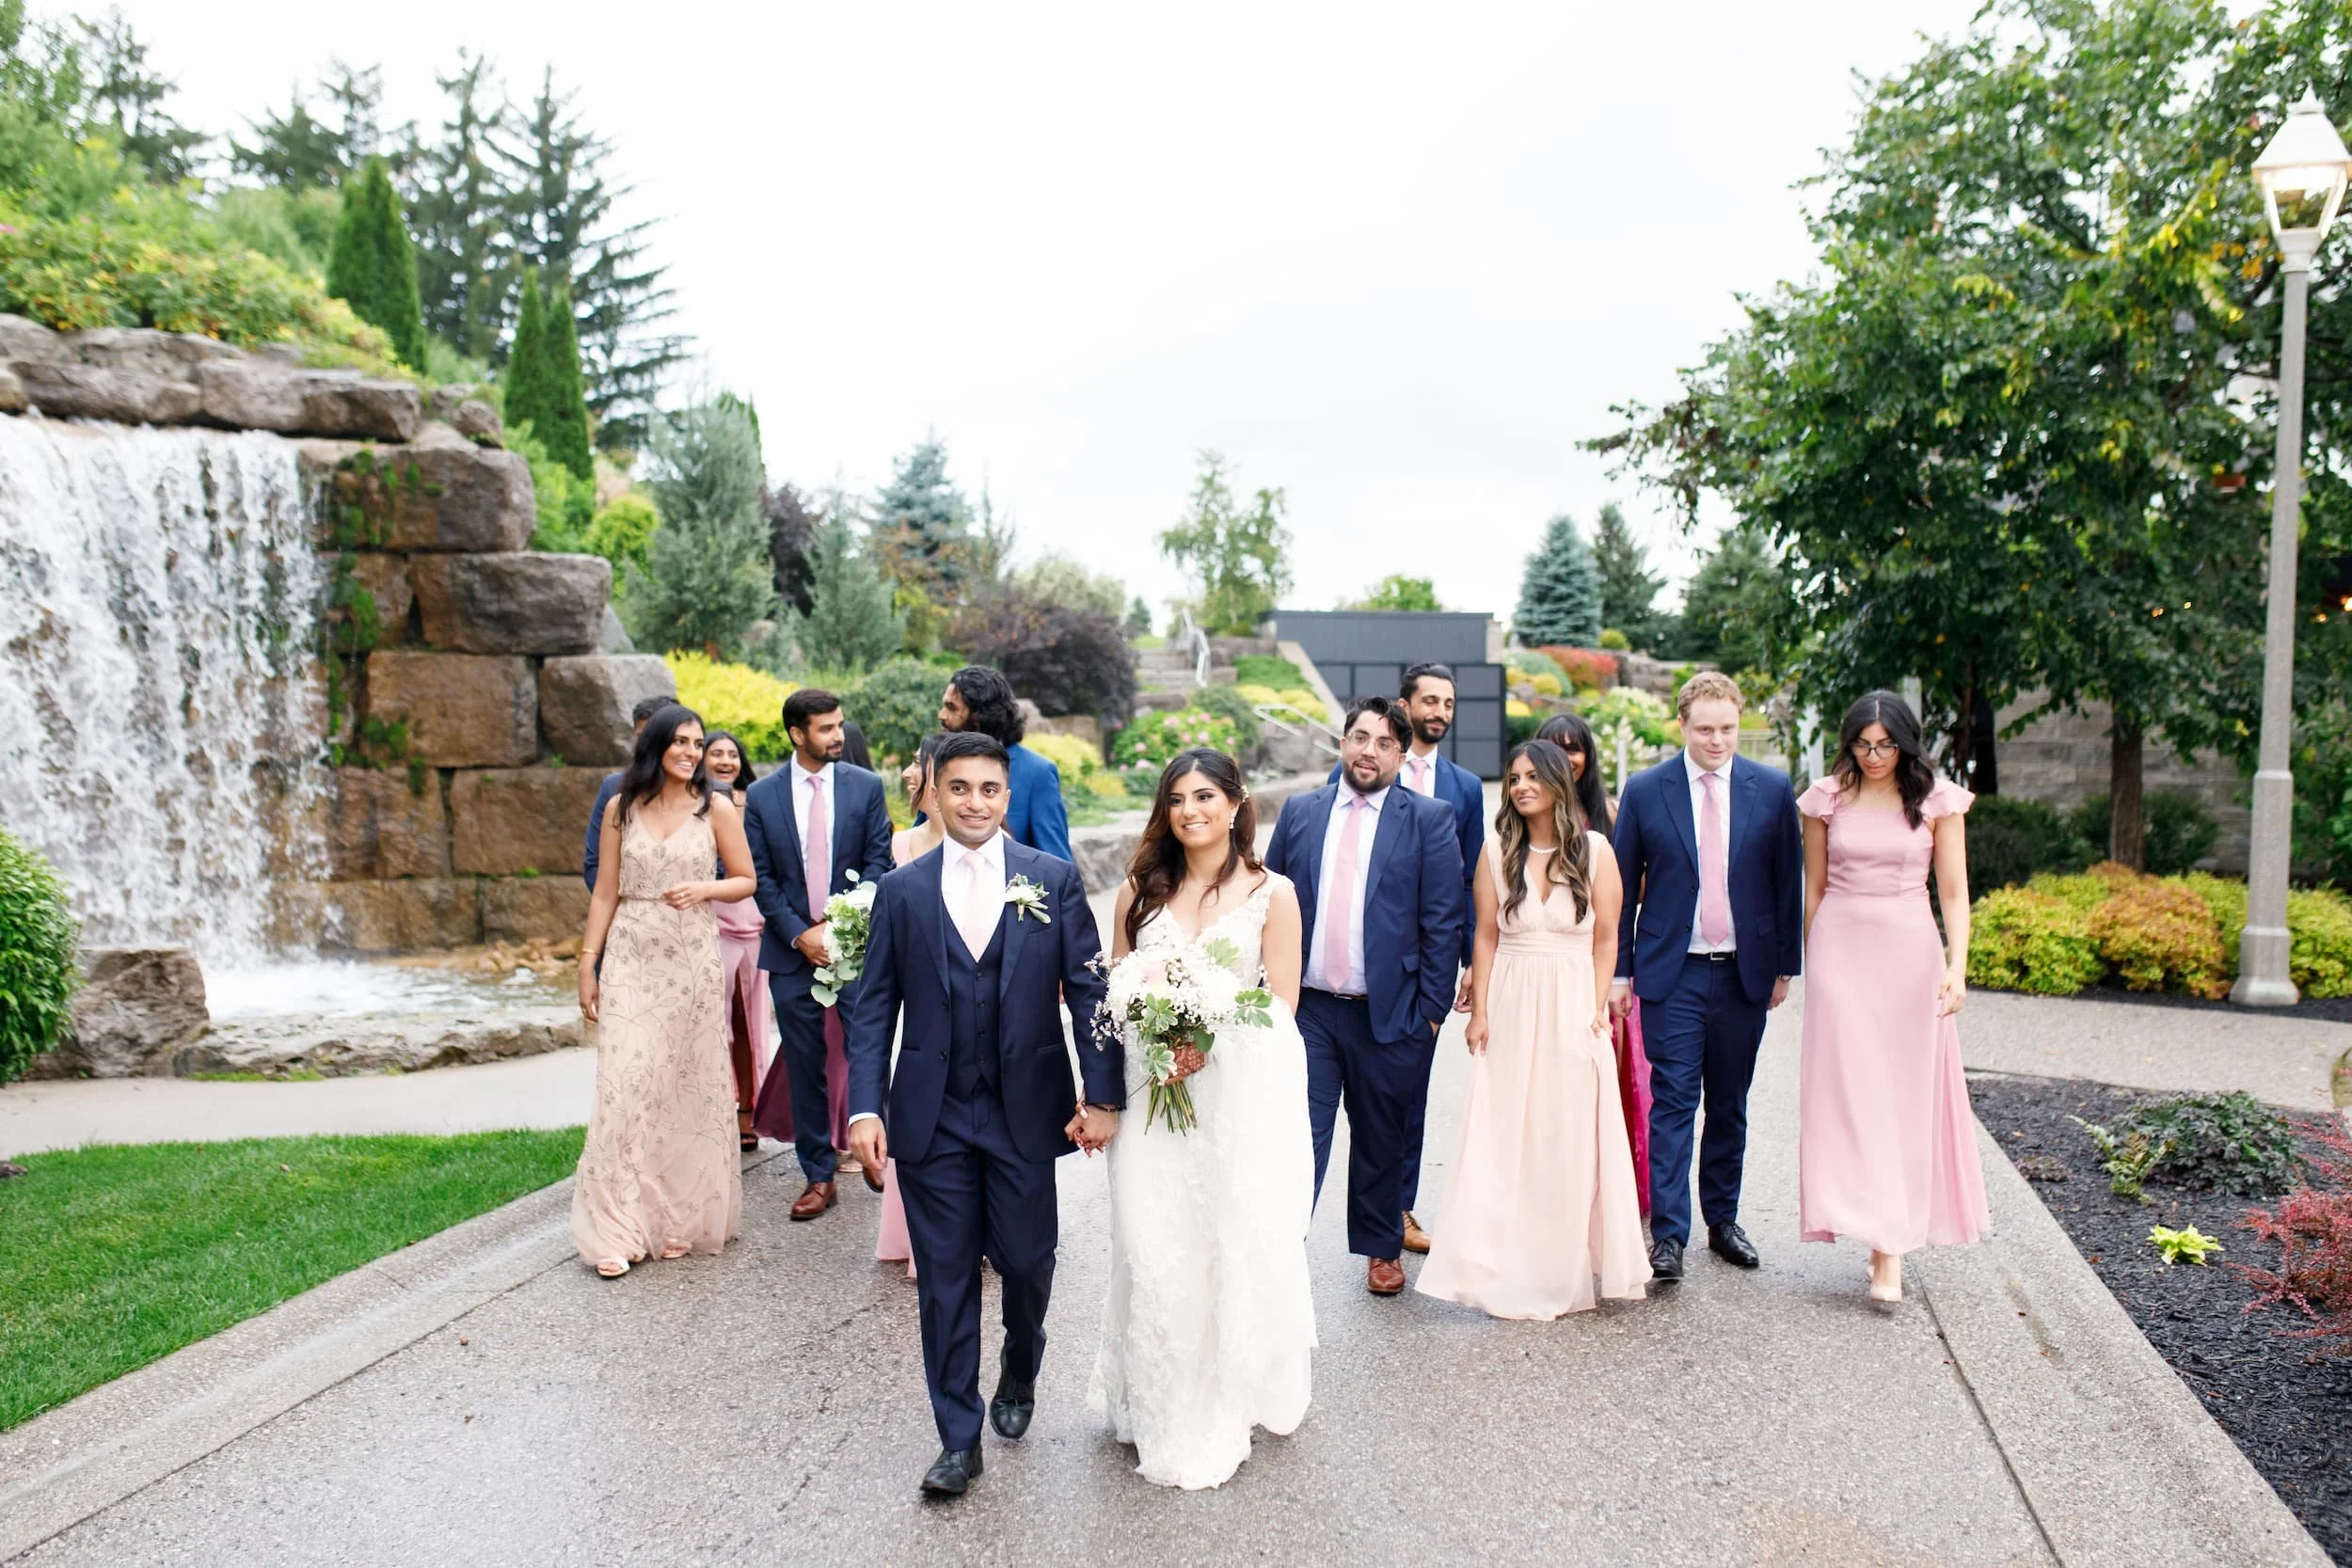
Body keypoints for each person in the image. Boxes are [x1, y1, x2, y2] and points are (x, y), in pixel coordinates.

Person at [842, 732, 1120, 1499]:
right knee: (945, 1279)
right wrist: (866, 1104)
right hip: (933, 1117)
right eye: (957, 787)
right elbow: (872, 1008)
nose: (973, 802)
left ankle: (1021, 1360)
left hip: (1026, 1112)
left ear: (1007, 795)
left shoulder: (1053, 880)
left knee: (1030, 1263)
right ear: (931, 792)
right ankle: (957, 1439)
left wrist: (1101, 1096)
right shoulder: (901, 890)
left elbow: (1091, 990)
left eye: (988, 789)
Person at [1089, 748, 1315, 1489]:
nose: (1191, 810)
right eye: (1178, 798)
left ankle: (1221, 1394)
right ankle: (1155, 1397)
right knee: (1153, 1241)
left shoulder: (1272, 894)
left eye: (1206, 796)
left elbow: (1282, 1003)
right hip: (1154, 1099)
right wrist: (1153, 1039)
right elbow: (1118, 993)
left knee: (1220, 1241)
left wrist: (1206, 1036)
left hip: (1230, 1101)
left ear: (1236, 801)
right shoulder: (1138, 894)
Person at [1418, 741, 1648, 1318]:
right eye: (1513, 778)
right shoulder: (1495, 852)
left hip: (1574, 1000)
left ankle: (1562, 1266)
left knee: (1566, 1136)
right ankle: (1505, 1263)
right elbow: (1487, 936)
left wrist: (1597, 1012)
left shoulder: (1595, 851)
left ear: (1555, 782)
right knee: (1506, 1134)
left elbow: (1607, 940)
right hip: (1515, 1002)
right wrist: (1485, 1015)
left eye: (1530, 776)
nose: (1519, 786)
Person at [1263, 696, 1465, 1297]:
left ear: (1401, 755)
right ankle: (1280, 1246)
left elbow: (1443, 919)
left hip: (1391, 1012)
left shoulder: (1429, 820)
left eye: (1383, 743)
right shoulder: (1302, 812)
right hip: (1312, 1010)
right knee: (1301, 1133)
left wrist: (1429, 1014)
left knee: (1382, 1138)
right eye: (1359, 737)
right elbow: (1268, 900)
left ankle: (1381, 1250)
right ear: (1343, 743)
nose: (1368, 751)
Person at [1610, 672, 1803, 1284]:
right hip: (1674, 973)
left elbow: (1785, 884)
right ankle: (1668, 1234)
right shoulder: (1646, 791)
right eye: (1705, 729)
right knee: (1673, 1101)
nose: (1717, 740)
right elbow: (1617, 891)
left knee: (1729, 1102)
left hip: (1744, 972)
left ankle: (1723, 1220)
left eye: (1728, 728)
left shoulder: (1770, 789)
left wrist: (1783, 967)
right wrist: (1619, 971)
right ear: (1683, 725)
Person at [1798, 691, 1991, 1304]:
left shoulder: (1938, 800)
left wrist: (1958, 968)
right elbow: (1815, 887)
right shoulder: (1826, 798)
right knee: (1852, 1097)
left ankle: (1890, 1247)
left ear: (1906, 743)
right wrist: (1815, 960)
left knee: (1901, 1099)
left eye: (1885, 744)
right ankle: (1873, 1226)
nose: (1873, 755)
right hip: (1840, 950)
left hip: (1911, 953)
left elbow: (1955, 893)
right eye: (1862, 743)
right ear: (1848, 742)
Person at [572, 705, 755, 1277]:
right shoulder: (619, 807)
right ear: (655, 745)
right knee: (625, 1086)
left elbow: (746, 878)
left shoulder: (716, 807)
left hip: (691, 959)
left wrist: (705, 887)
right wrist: (587, 962)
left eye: (697, 743)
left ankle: (675, 1219)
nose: (690, 752)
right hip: (630, 953)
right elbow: (604, 893)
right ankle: (615, 1227)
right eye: (679, 741)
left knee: (683, 1087)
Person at [1328, 662, 1483, 1255]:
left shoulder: (1464, 789)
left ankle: (1399, 1209)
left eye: (1449, 703)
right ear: (1404, 704)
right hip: (1347, 973)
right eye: (1430, 701)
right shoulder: (1357, 768)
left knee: (1406, 1101)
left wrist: (1463, 966)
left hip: (1417, 979)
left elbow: (1465, 882)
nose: (1440, 712)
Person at [741, 688, 895, 1220]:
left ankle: (881, 1156)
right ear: (796, 733)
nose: (838, 736)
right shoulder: (761, 796)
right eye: (826, 728)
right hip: (790, 954)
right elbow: (759, 876)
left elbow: (879, 861)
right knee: (806, 1065)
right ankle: (817, 1175)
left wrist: (840, 926)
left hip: (855, 948)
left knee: (867, 1050)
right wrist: (799, 934)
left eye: (839, 726)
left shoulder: (865, 787)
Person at [1539, 711, 1651, 1215]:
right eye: (1554, 747)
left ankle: (1606, 1192)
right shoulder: (1524, 816)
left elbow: (1630, 891)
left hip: (1598, 964)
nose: (1566, 758)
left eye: (1574, 747)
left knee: (1611, 1079)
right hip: (1542, 965)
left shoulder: (1607, 813)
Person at [875, 731, 953, 1279]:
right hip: (922, 1009)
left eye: (917, 763)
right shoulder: (903, 845)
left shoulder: (994, 841)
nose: (909, 772)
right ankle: (917, 1234)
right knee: (921, 1102)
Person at [702, 731, 770, 1151]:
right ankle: (716, 1108)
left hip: (757, 921)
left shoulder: (757, 800)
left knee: (754, 1022)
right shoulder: (696, 806)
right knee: (716, 1022)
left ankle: (751, 1109)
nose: (725, 760)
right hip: (712, 921)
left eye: (732, 753)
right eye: (716, 753)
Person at [938, 664, 1072, 861]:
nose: (941, 715)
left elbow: (1058, 866)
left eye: (952, 708)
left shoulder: (1037, 773)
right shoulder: (939, 766)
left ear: (979, 716)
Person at [581, 694, 679, 889]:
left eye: (657, 737)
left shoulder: (711, 794)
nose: (648, 746)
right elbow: (595, 865)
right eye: (643, 737)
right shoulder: (614, 788)